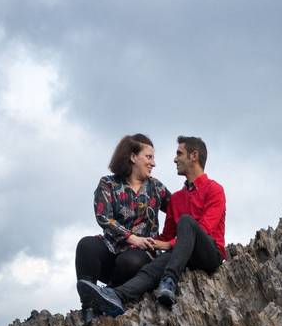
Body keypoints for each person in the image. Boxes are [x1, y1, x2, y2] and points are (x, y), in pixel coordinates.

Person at [80, 135, 226, 314]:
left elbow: (201, 230)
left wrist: (165, 244)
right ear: (133, 157)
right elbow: (167, 235)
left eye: (179, 153)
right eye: (149, 157)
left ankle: (169, 281)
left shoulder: (214, 190)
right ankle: (113, 296)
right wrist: (149, 242)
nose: (173, 159)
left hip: (208, 253)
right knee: (149, 269)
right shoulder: (177, 199)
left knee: (186, 223)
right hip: (174, 253)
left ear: (193, 156)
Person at [74, 133, 170, 323]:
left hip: (140, 256)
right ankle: (89, 306)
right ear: (133, 157)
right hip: (112, 248)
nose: (153, 163)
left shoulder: (156, 187)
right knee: (86, 245)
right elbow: (103, 216)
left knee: (130, 261)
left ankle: (111, 294)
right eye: (149, 157)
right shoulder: (108, 183)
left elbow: (178, 209)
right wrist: (130, 237)